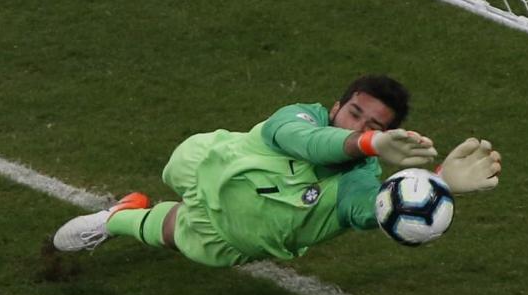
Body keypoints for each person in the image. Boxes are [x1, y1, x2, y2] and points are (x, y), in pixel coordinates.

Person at [53, 74, 501, 267]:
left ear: (392, 134)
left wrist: (439, 184)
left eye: (375, 125)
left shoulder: (360, 178)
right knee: (176, 166)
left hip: (231, 232)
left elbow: (371, 209)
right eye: (354, 113)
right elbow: (309, 143)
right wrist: (369, 141)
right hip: (206, 166)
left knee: (174, 235)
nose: (359, 125)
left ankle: (119, 217)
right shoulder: (300, 118)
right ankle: (132, 212)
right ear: (336, 106)